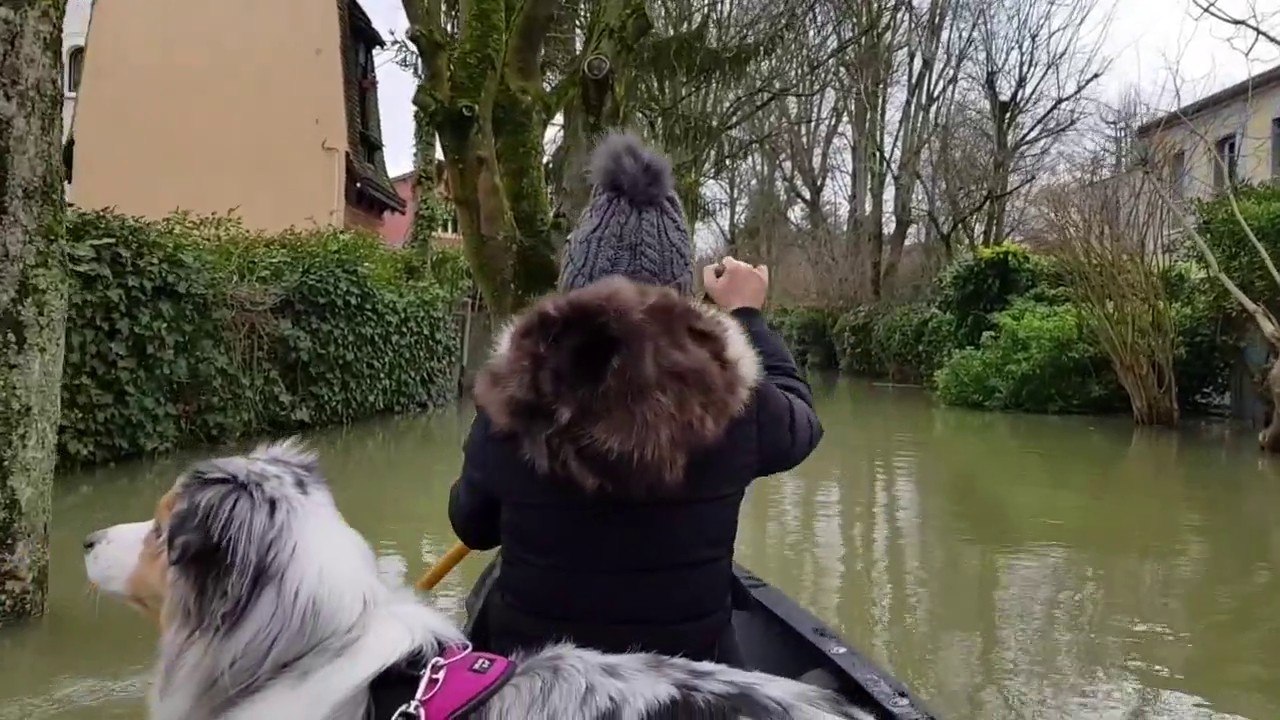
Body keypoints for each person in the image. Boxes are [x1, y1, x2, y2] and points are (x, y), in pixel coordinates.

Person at [447, 133, 822, 665]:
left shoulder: (512, 394)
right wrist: (747, 315)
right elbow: (803, 422)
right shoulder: (741, 403)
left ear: (573, 287)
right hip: (686, 685)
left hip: (540, 687)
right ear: (680, 295)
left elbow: (473, 527)